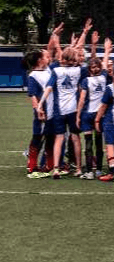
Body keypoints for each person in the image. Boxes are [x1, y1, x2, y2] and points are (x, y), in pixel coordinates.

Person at [37, 46, 88, 179]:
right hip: (74, 110)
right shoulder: (80, 70)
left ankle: (55, 169)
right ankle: (78, 168)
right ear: (74, 58)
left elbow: (48, 88)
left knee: (59, 138)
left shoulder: (56, 70)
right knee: (76, 138)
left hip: (59, 110)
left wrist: (40, 103)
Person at [22, 50, 55, 178]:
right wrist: (38, 110)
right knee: (37, 138)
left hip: (51, 112)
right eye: (46, 57)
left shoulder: (47, 71)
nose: (49, 58)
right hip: (42, 113)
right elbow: (33, 95)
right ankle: (32, 168)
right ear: (40, 61)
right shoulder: (33, 75)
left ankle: (49, 166)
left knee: (50, 139)